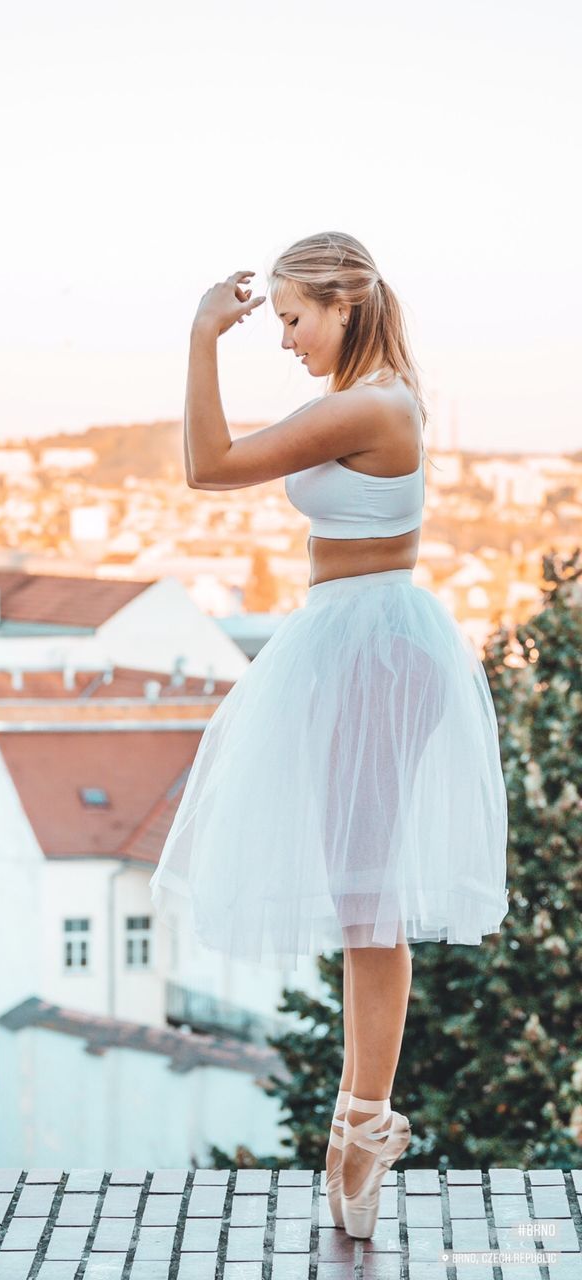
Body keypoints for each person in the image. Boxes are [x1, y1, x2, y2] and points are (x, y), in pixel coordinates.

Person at [149, 231, 509, 1238]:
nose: (287, 339)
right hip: (357, 642)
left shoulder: (371, 402)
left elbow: (208, 464)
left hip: (371, 653)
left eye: (294, 319)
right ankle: (359, 1122)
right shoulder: (380, 392)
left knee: (366, 897)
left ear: (343, 302)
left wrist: (200, 337)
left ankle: (364, 1125)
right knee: (362, 895)